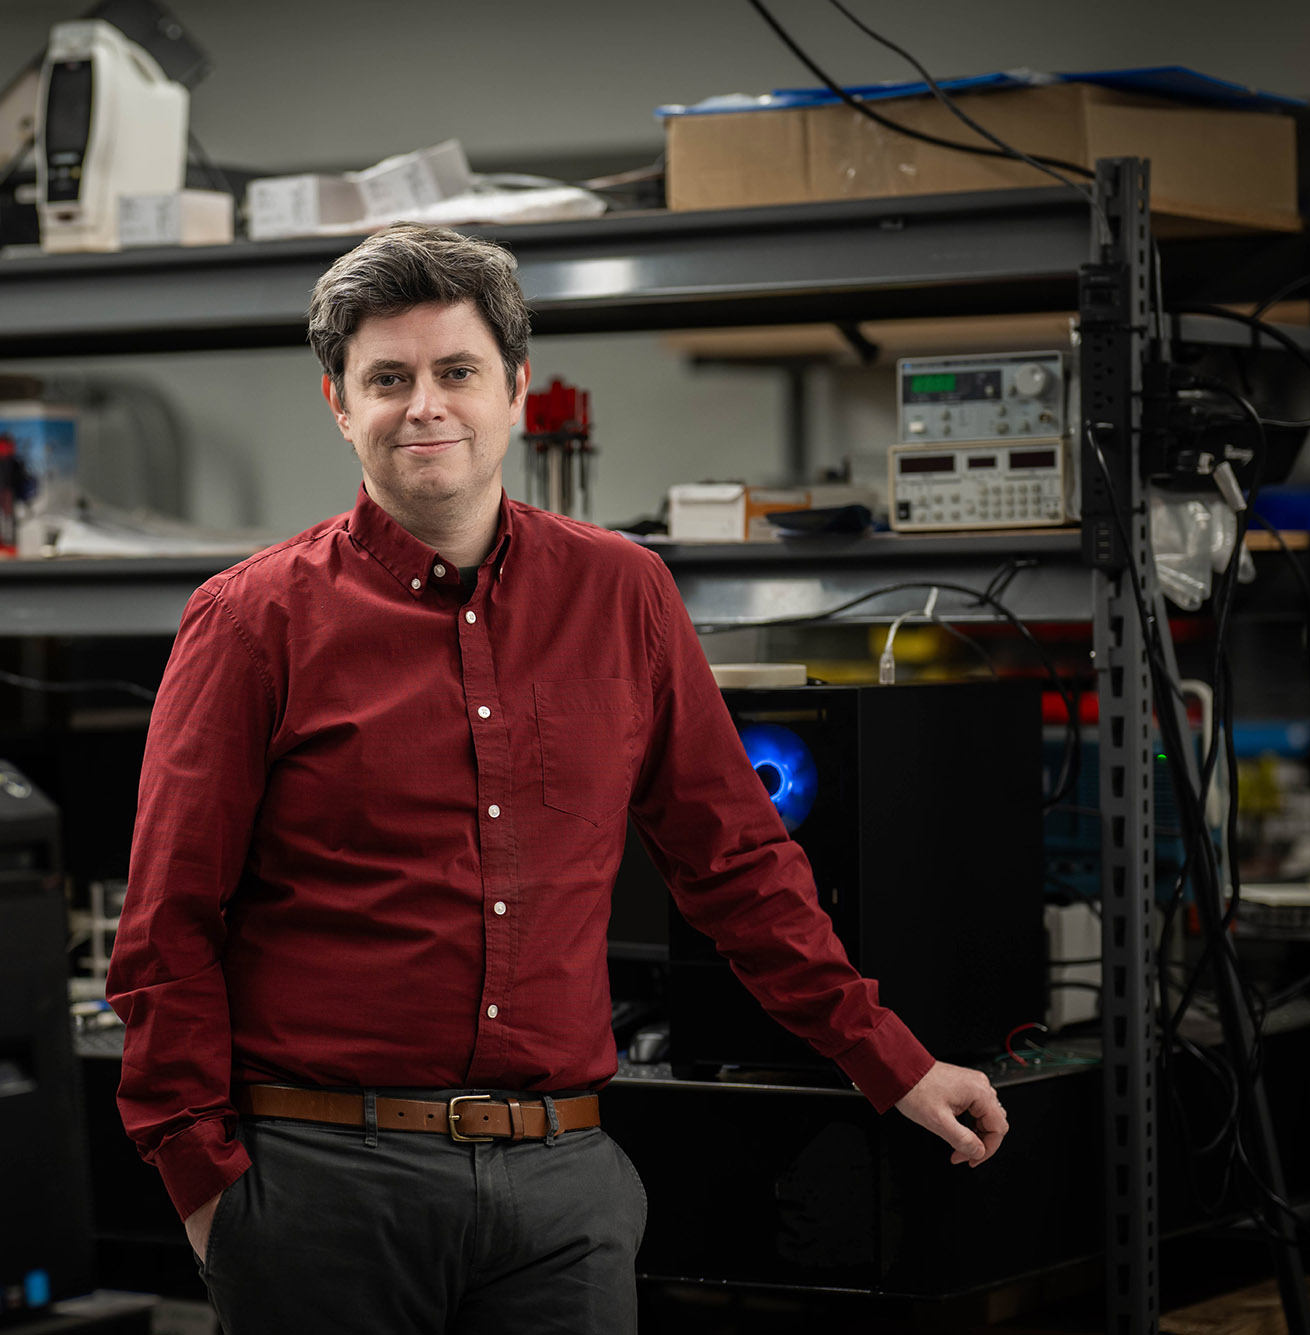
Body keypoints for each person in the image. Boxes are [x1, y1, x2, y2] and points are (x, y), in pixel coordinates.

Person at [105, 223, 1009, 1333]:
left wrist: (893, 1063)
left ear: (516, 390)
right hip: (322, 1186)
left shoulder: (622, 593)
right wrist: (203, 1185)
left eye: (456, 372)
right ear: (339, 403)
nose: (423, 405)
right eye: (386, 378)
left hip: (559, 1189)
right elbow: (166, 922)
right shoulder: (253, 621)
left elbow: (735, 863)